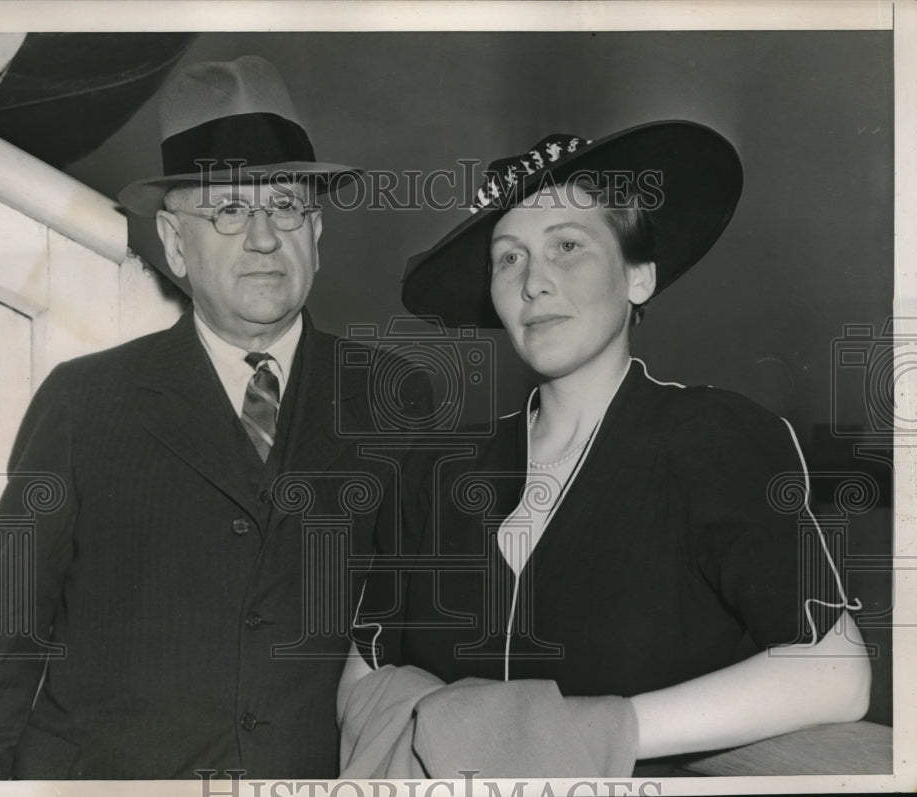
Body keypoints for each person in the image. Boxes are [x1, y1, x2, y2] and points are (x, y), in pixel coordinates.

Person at [338, 122, 871, 778]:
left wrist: (588, 733)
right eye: (508, 257)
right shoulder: (436, 469)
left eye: (567, 245)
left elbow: (837, 670)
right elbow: (364, 680)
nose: (533, 282)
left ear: (638, 277)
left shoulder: (709, 436)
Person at [0, 55, 430, 780]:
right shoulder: (83, 403)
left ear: (318, 233)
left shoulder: (394, 400)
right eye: (230, 209)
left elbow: (420, 637)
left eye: (286, 205)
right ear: (176, 243)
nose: (264, 237)